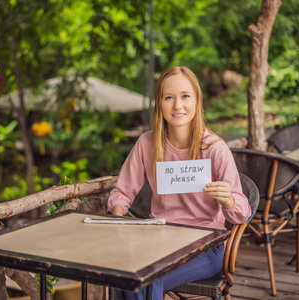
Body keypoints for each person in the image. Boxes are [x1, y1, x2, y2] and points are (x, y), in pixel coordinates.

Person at [107, 66, 251, 300]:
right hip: (158, 242)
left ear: (197, 100)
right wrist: (117, 214)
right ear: (159, 103)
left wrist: (229, 200)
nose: (177, 106)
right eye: (168, 98)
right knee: (123, 273)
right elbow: (122, 191)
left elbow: (242, 214)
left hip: (206, 247)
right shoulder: (147, 143)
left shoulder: (215, 149)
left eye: (185, 96)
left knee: (146, 277)